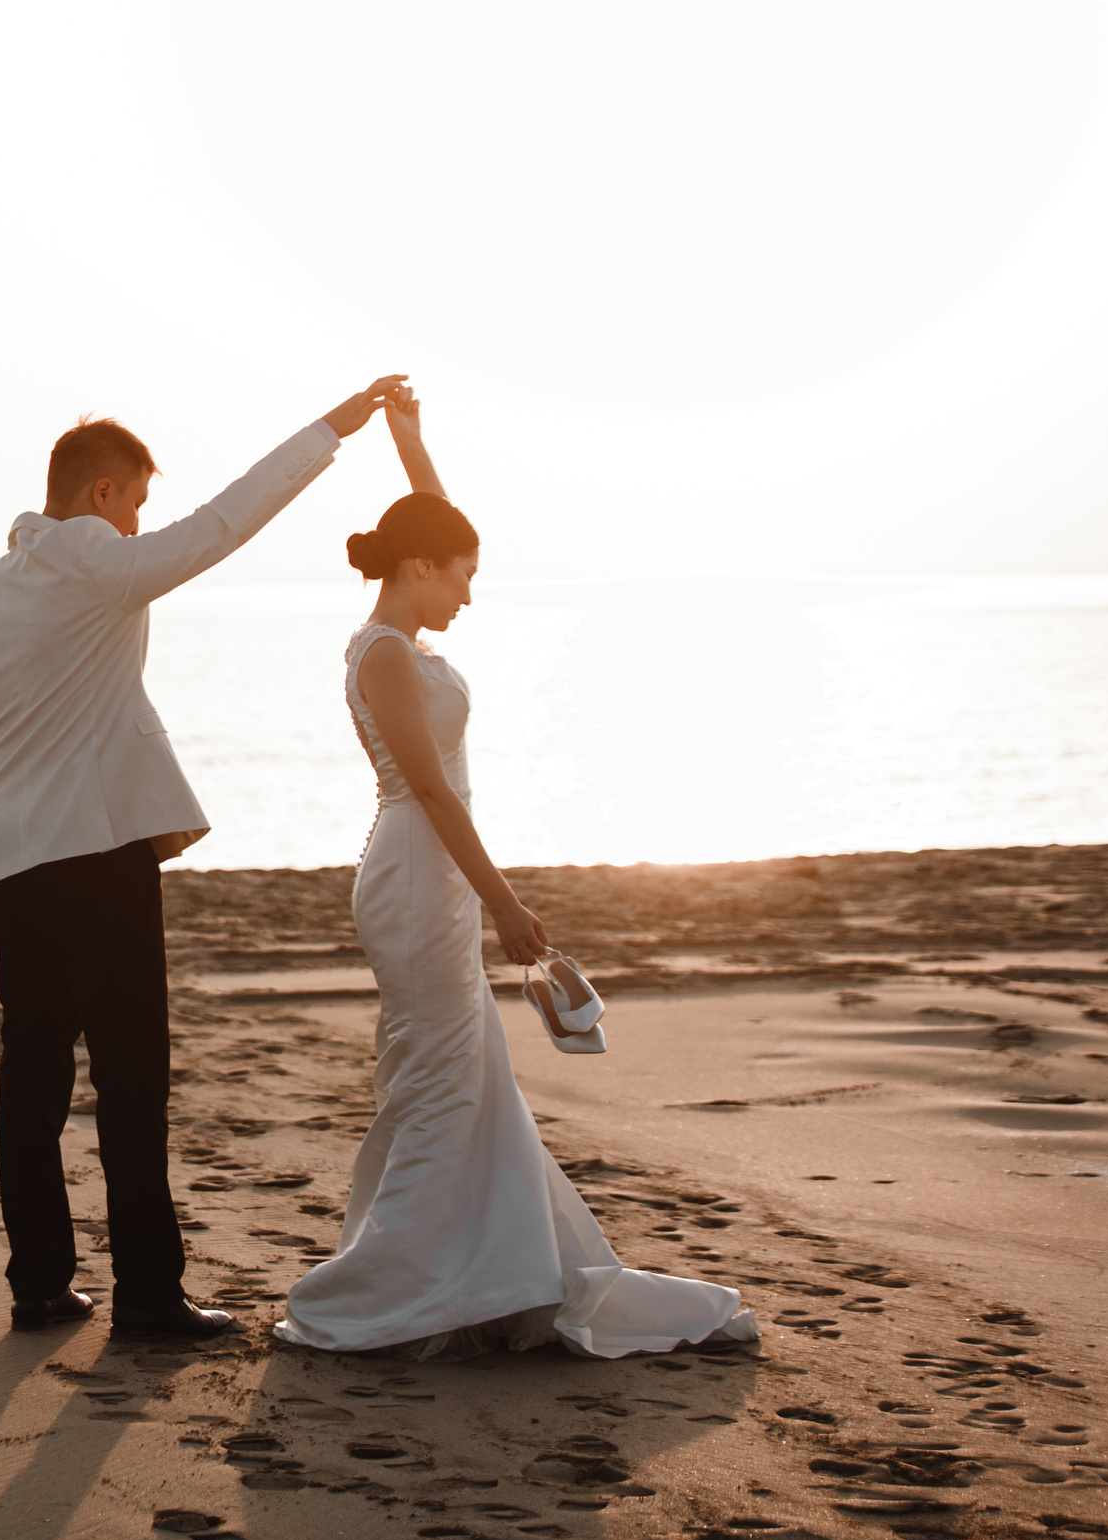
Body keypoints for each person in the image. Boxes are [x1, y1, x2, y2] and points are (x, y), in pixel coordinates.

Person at [274, 386, 758, 1361]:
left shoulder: (403, 639)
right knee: (445, 1080)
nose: (467, 593)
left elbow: (438, 530)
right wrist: (504, 903)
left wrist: (413, 446)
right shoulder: (381, 658)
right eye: (459, 576)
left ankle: (488, 1276)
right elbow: (434, 795)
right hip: (419, 873)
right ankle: (386, 1288)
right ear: (418, 569)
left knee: (455, 1074)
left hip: (432, 875)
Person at [0, 375, 409, 1338]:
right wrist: (333, 427)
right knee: (130, 1080)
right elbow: (223, 523)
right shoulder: (96, 559)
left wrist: (2, 842)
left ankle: (38, 1284)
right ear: (106, 492)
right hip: (99, 854)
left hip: (12, 862)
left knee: (30, 1082)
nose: (140, 527)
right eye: (137, 505)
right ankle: (149, 1296)